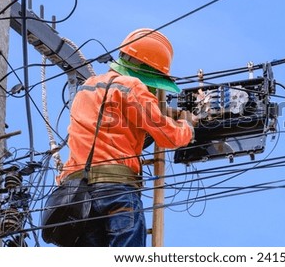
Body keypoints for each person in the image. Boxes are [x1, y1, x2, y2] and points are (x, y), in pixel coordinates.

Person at [57, 28, 196, 247]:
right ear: (147, 70)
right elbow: (170, 137)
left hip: (77, 195)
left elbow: (110, 122)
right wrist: (187, 124)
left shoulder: (86, 89)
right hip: (116, 192)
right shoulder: (132, 86)